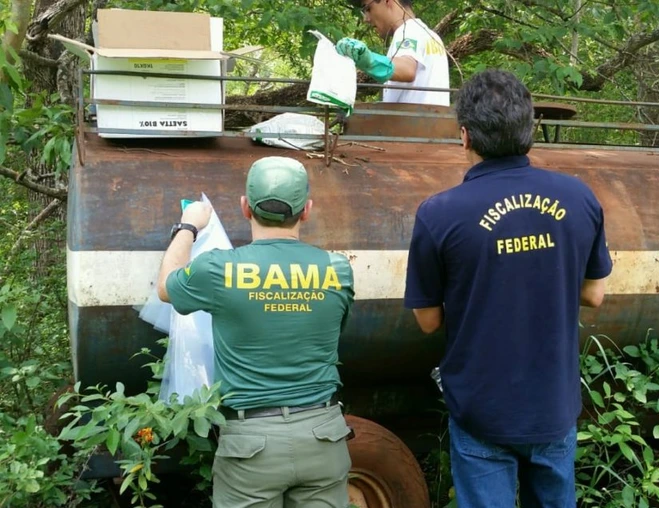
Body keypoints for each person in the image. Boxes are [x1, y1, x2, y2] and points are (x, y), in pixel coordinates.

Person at [403, 69, 613, 507]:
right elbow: (594, 295)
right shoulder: (579, 198)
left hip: (482, 409)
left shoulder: (439, 213)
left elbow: (427, 321)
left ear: (464, 136)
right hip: (553, 407)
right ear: (530, 130)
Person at [157, 156, 356, 508]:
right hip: (322, 435)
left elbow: (166, 288)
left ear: (245, 207)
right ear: (306, 210)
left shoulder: (219, 268)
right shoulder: (337, 269)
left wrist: (187, 227)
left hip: (251, 445)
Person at [336, 0, 450, 106]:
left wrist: (370, 60)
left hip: (414, 126)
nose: (366, 18)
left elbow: (407, 69)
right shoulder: (432, 36)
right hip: (433, 124)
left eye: (368, 8)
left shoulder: (408, 31)